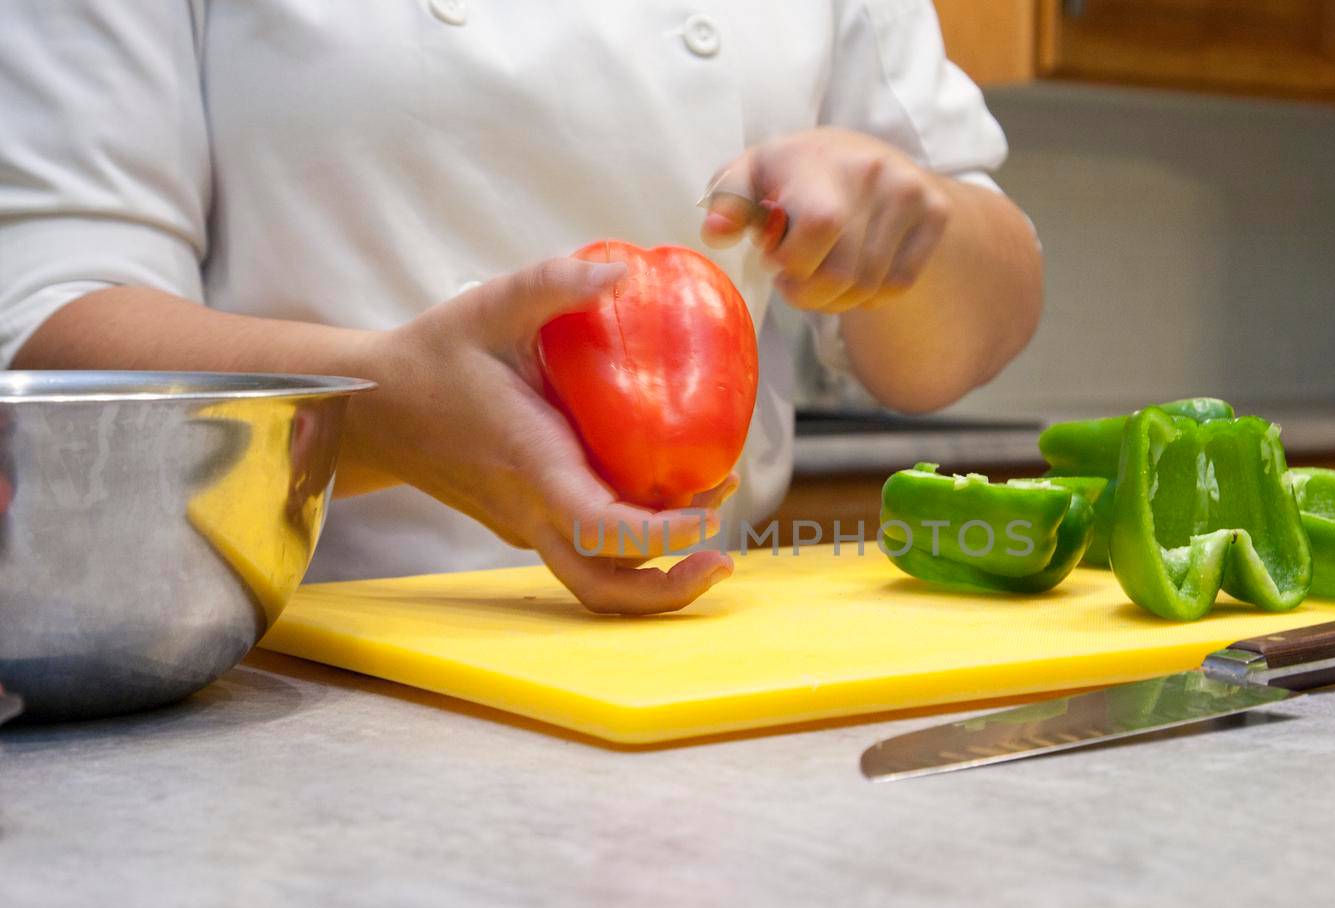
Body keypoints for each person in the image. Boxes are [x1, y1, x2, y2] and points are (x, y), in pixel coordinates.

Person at [0, 3, 1042, 614]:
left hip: (697, 652)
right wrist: (380, 409)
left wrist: (909, 225)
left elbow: (969, 328)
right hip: (284, 666)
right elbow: (48, 326)